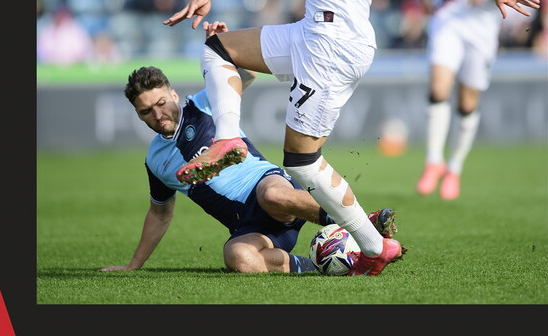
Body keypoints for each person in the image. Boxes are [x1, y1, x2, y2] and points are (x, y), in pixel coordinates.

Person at [163, 0, 539, 276]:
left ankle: (375, 246)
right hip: (321, 34)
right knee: (220, 48)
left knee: (301, 163)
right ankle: (227, 138)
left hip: (329, 48)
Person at [100, 22, 397, 274]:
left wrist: (221, 56)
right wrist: (133, 265)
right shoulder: (155, 161)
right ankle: (315, 265)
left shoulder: (203, 104)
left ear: (174, 95)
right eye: (146, 111)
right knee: (237, 257)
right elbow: (160, 214)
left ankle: (360, 224)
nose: (157, 114)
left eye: (161, 103)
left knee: (271, 195)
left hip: (268, 187)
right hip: (251, 226)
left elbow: (247, 76)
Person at [416, 0, 535, 200]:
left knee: (468, 102)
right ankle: (433, 161)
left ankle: (454, 167)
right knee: (438, 86)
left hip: (483, 27)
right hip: (449, 17)